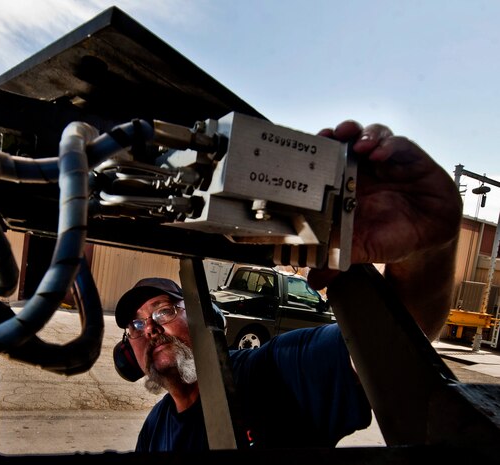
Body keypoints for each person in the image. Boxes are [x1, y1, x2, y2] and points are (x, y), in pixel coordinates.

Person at [113, 120, 463, 452]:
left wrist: (429, 248)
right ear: (130, 353)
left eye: (163, 310)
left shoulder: (273, 372)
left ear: (209, 316)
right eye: (136, 325)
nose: (152, 329)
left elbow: (391, 342)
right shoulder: (154, 431)